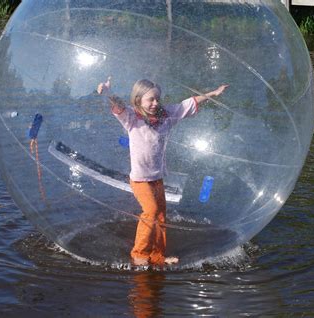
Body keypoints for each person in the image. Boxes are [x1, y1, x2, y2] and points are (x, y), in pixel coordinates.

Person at [98, 77, 229, 266]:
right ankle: (139, 253)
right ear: (138, 100)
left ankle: (158, 256)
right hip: (140, 180)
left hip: (157, 178)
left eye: (157, 99)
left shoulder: (166, 116)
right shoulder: (132, 118)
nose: (155, 103)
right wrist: (108, 93)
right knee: (150, 211)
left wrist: (212, 93)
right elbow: (118, 107)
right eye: (150, 99)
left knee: (160, 216)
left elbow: (188, 104)